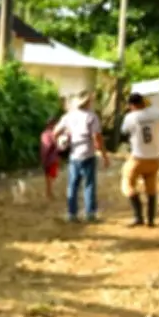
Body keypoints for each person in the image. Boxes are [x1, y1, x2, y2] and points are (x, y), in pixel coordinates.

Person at [120, 93, 159, 227]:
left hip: (138, 158)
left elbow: (124, 131)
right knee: (151, 187)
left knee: (127, 183)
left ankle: (138, 216)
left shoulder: (131, 117)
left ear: (132, 105)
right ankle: (151, 220)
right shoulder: (157, 113)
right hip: (155, 158)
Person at [53, 90, 110, 223]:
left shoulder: (68, 116)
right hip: (88, 154)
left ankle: (72, 214)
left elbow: (55, 132)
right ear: (88, 102)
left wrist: (61, 143)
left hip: (74, 155)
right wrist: (104, 154)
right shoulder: (91, 116)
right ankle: (90, 214)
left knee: (73, 185)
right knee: (89, 185)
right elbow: (97, 137)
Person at [40, 116, 61, 200]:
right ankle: (50, 193)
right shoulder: (54, 134)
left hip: (48, 158)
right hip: (53, 158)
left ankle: (49, 192)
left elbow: (45, 147)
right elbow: (54, 146)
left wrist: (43, 157)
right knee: (51, 176)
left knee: (48, 176)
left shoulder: (44, 134)